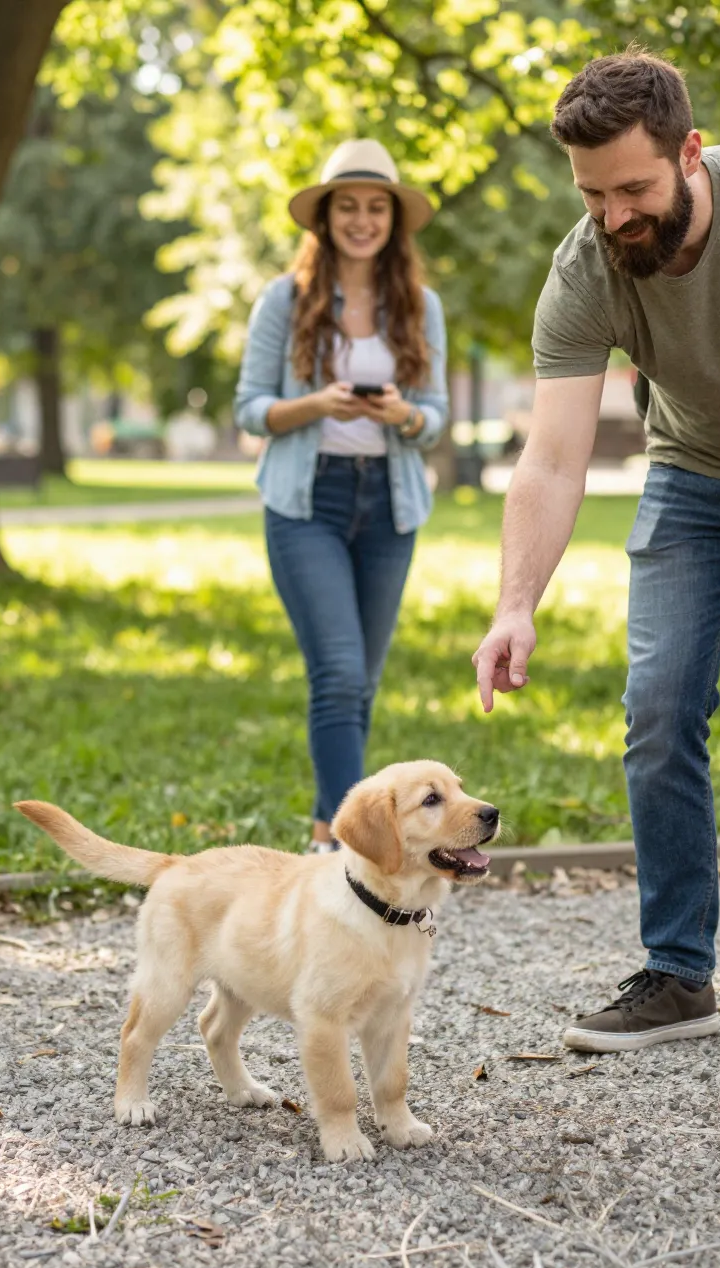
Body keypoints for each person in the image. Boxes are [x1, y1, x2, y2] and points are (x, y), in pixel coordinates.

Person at [470, 49, 720, 1061]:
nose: (615, 217)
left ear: (691, 153)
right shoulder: (588, 264)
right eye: (594, 195)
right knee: (657, 707)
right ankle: (677, 972)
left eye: (635, 189)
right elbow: (554, 456)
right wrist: (515, 603)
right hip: (692, 476)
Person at [234, 140, 449, 851]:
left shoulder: (420, 306)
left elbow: (435, 416)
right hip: (307, 504)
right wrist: (317, 405)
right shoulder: (284, 301)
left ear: (394, 219)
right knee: (338, 673)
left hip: (388, 506)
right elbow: (250, 409)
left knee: (361, 684)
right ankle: (343, 845)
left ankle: (331, 826)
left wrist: (402, 415)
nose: (362, 220)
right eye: (348, 207)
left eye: (376, 207)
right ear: (325, 218)